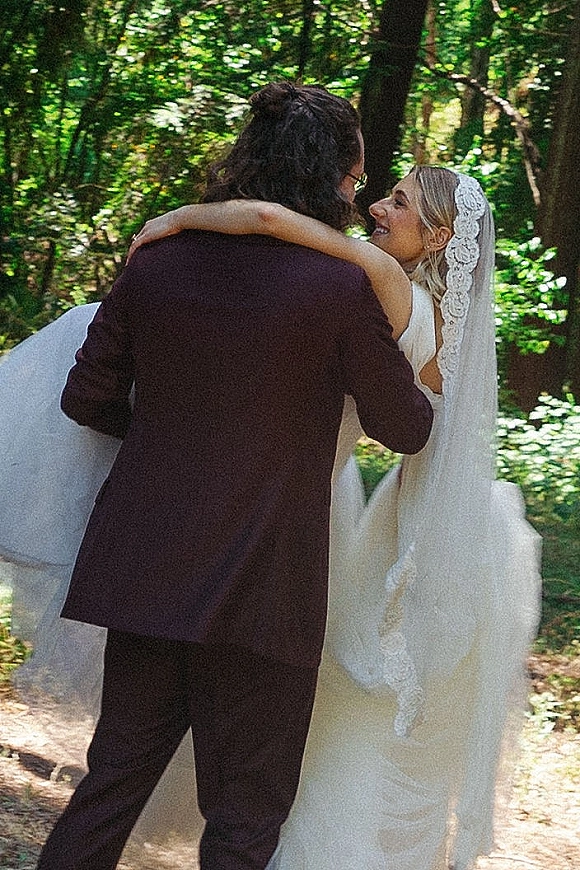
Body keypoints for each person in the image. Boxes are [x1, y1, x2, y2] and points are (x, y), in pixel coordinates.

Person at [0, 81, 433, 870]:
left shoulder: (156, 262)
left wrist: (177, 438)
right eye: (355, 173)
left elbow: (86, 395)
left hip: (146, 564)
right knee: (243, 818)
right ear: (329, 176)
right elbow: (403, 427)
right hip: (267, 583)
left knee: (111, 784)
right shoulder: (342, 289)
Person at [125, 165, 543, 869]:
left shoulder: (393, 288)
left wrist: (173, 222)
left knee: (353, 715)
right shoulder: (459, 323)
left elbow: (271, 224)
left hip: (411, 544)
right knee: (393, 736)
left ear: (439, 237)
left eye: (400, 202)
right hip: (462, 538)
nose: (378, 207)